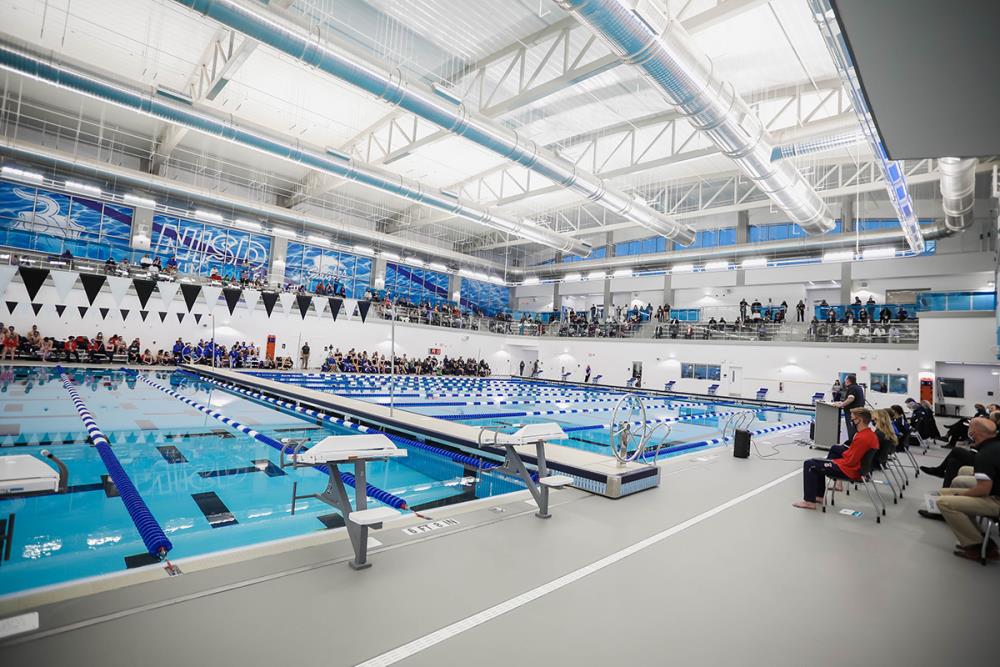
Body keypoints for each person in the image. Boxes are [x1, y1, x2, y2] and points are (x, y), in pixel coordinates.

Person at [933, 418, 1000, 561]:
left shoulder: (985, 455)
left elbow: (983, 489)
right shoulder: (994, 446)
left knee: (945, 502)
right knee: (943, 493)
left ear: (974, 432)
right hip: (993, 492)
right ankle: (981, 539)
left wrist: (960, 495)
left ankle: (977, 545)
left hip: (995, 500)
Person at [794, 408, 880, 510]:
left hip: (850, 470)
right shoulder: (869, 434)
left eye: (852, 419)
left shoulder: (862, 438)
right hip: (856, 468)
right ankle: (818, 496)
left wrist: (833, 461)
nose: (851, 421)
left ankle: (809, 502)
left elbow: (850, 461)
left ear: (859, 420)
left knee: (810, 464)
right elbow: (852, 456)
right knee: (819, 462)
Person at [835, 374, 865, 442]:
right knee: (856, 429)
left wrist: (841, 405)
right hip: (858, 412)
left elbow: (851, 399)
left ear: (848, 381)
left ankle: (851, 444)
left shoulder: (852, 388)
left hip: (852, 413)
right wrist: (842, 402)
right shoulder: (858, 387)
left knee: (851, 430)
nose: (844, 381)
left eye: (845, 379)